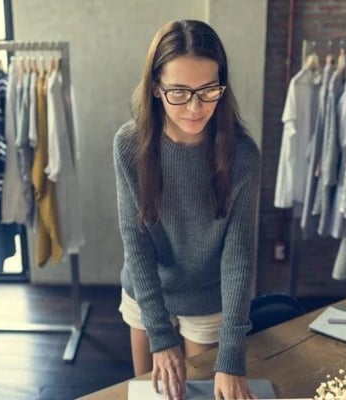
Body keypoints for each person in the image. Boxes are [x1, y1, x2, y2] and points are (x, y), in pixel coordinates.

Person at [113, 19, 260, 400]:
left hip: (208, 296)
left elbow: (239, 256)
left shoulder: (243, 156)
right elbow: (136, 241)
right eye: (179, 91)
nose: (195, 107)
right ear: (155, 88)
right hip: (147, 291)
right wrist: (161, 334)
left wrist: (232, 355)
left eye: (208, 90)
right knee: (151, 392)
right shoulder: (129, 145)